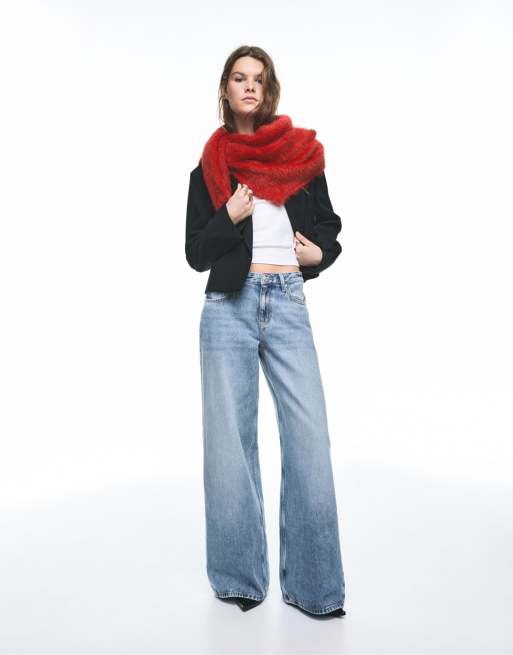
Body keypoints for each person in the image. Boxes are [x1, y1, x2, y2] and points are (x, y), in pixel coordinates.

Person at [185, 45, 346, 619]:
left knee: (310, 440)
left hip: (288, 299)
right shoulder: (209, 167)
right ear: (226, 90)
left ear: (268, 88)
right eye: (239, 78)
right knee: (229, 446)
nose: (249, 86)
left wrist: (319, 253)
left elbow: (329, 226)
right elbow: (196, 253)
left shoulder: (301, 157)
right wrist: (228, 217)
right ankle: (238, 580)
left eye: (258, 78)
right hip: (228, 305)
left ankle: (316, 588)